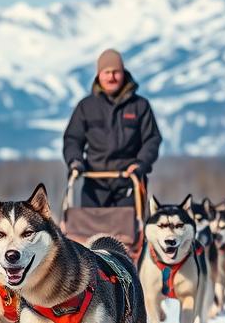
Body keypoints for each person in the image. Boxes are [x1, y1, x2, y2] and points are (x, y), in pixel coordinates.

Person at [63, 48, 162, 207]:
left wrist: (140, 164)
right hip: (94, 184)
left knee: (128, 231)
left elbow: (152, 139)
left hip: (130, 182)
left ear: (123, 73)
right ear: (98, 75)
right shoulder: (86, 107)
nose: (111, 77)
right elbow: (72, 139)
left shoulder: (140, 106)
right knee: (89, 231)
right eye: (106, 72)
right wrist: (75, 161)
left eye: (116, 72)